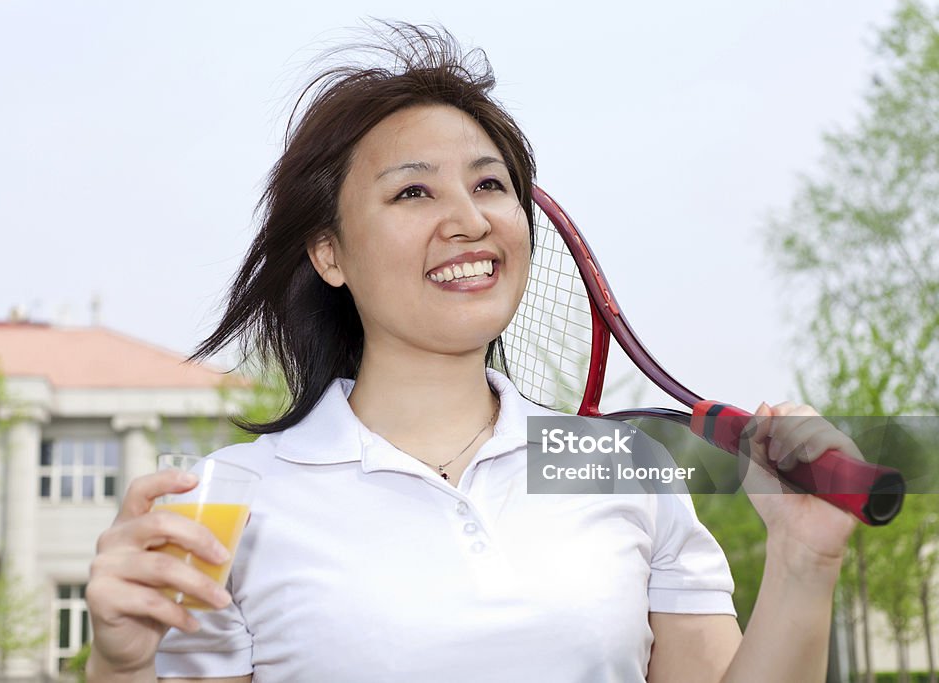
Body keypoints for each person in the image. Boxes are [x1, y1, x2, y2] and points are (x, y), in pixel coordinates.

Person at [85, 23, 861, 683]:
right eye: (412, 192)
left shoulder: (621, 465)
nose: (468, 220)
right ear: (330, 254)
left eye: (490, 185)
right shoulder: (233, 497)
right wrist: (120, 665)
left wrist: (802, 563)